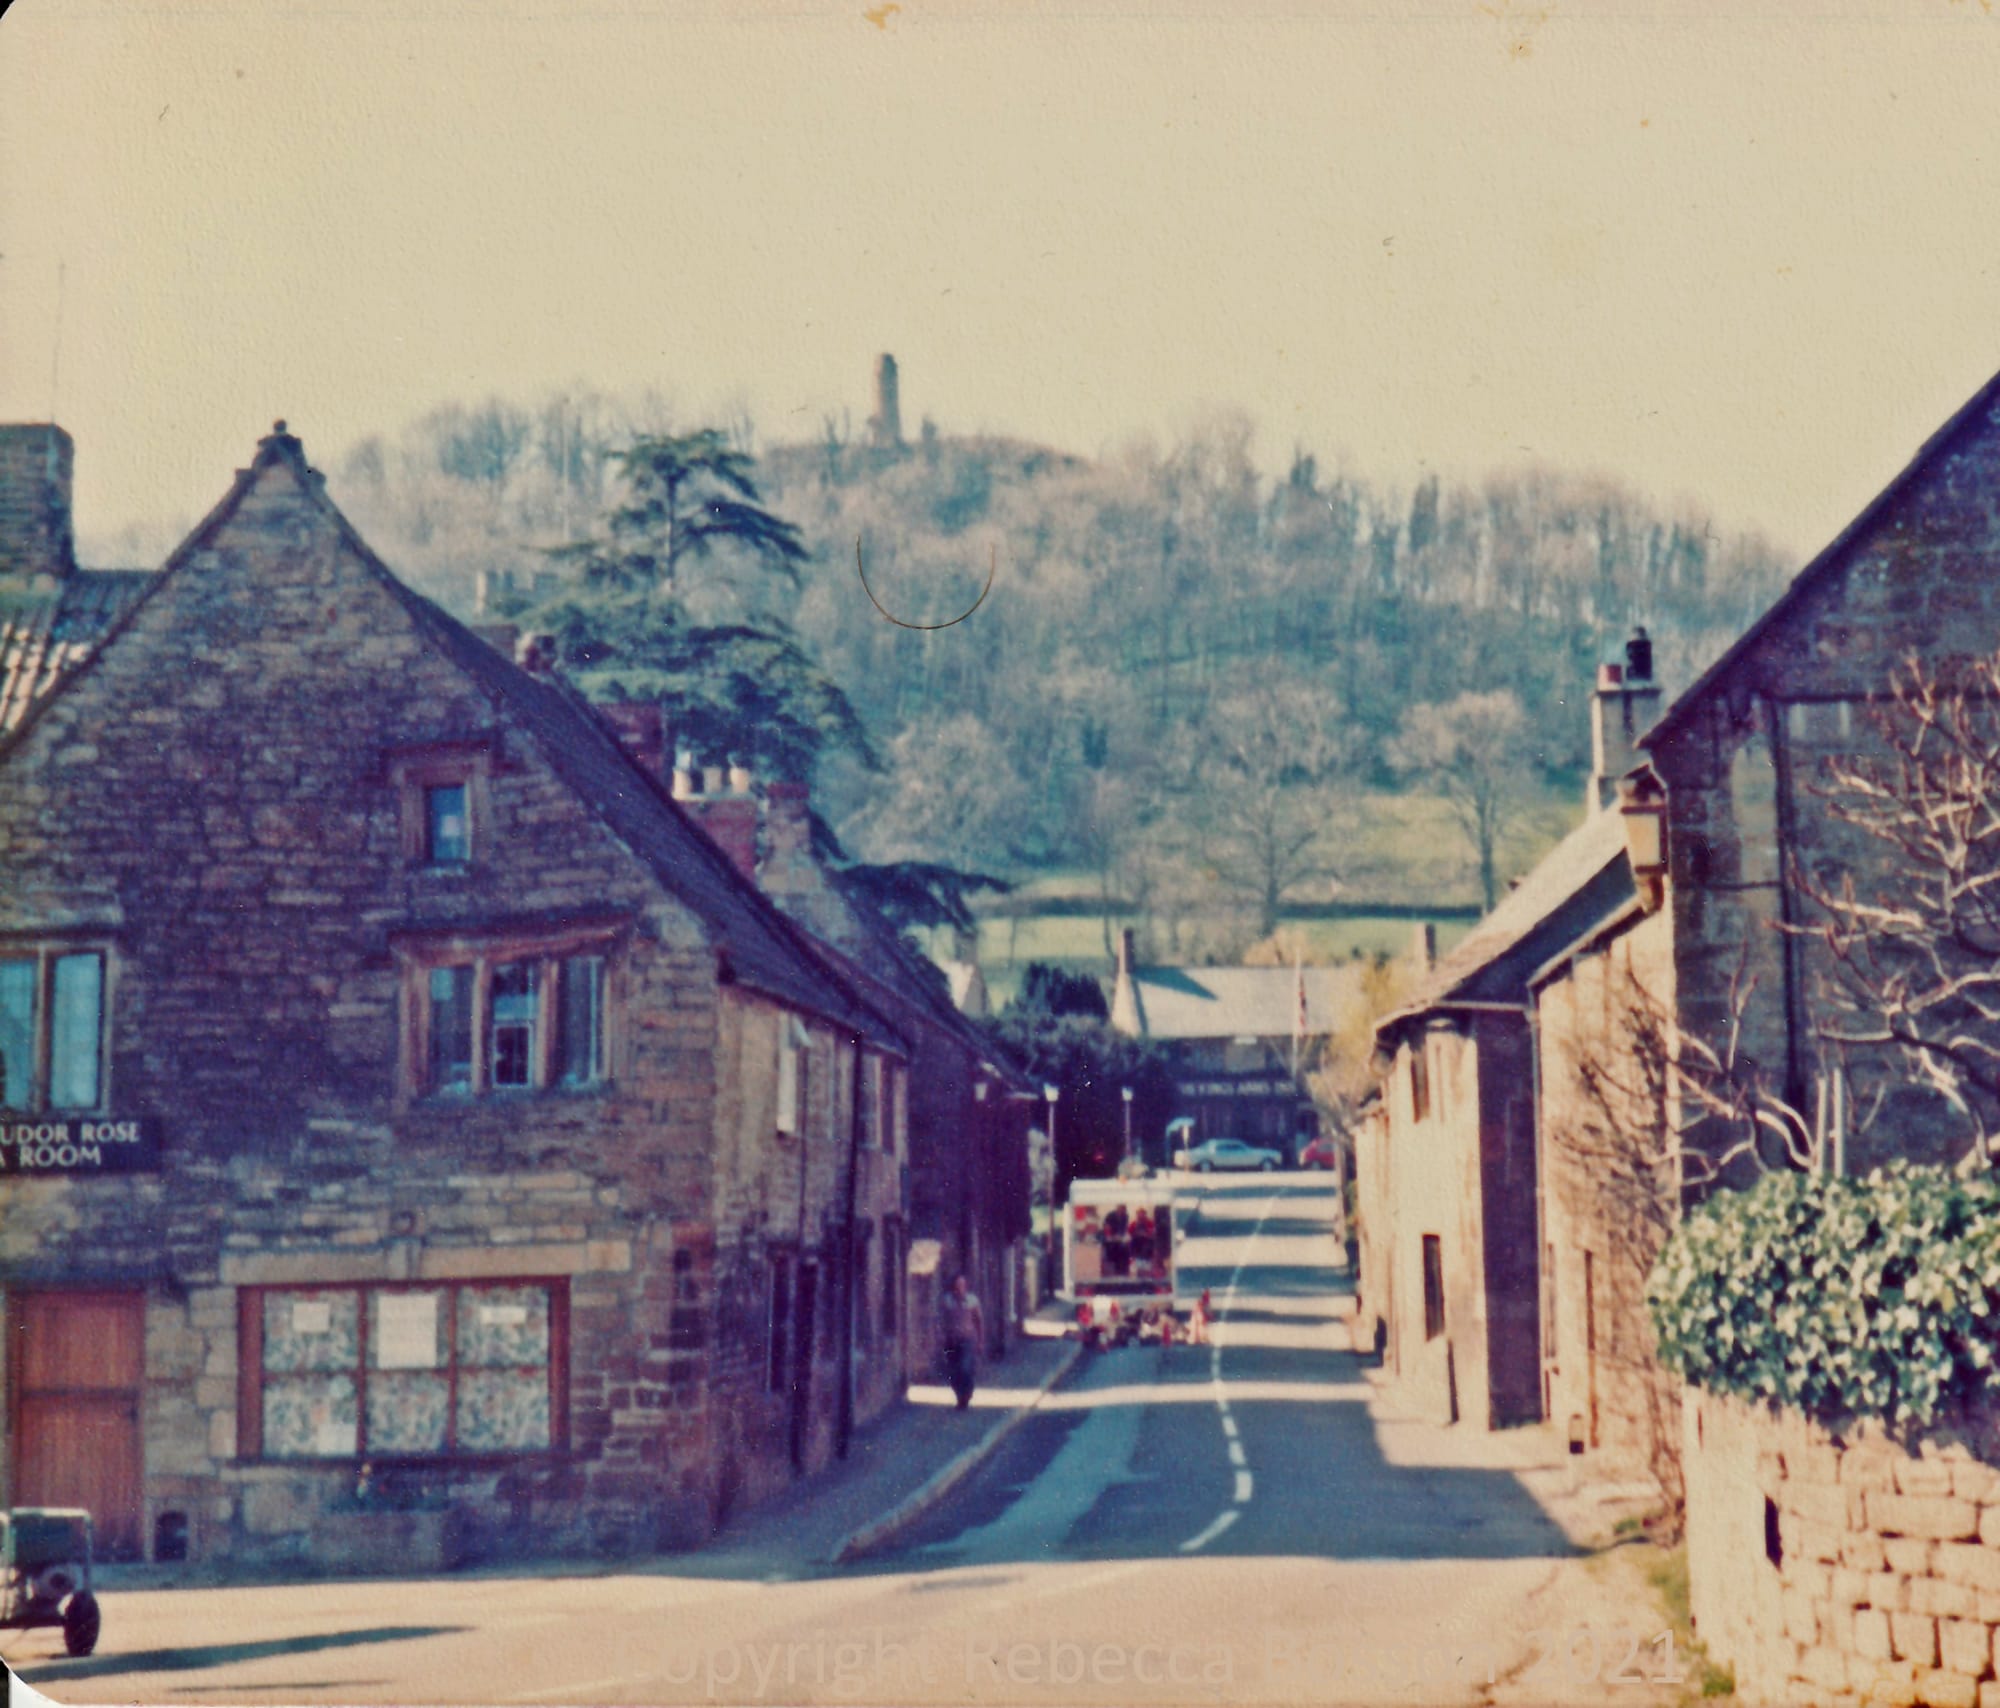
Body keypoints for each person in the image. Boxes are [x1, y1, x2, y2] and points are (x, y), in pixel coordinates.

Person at [939, 1273, 985, 1409]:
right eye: (957, 1285)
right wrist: (941, 1335)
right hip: (951, 1341)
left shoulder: (972, 1301)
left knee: (964, 1368)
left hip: (967, 1339)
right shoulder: (947, 1301)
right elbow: (941, 1320)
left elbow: (979, 1321)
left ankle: (967, 1393)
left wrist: (981, 1340)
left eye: (962, 1285)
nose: (959, 1288)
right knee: (953, 1371)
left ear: (965, 1286)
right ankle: (960, 1396)